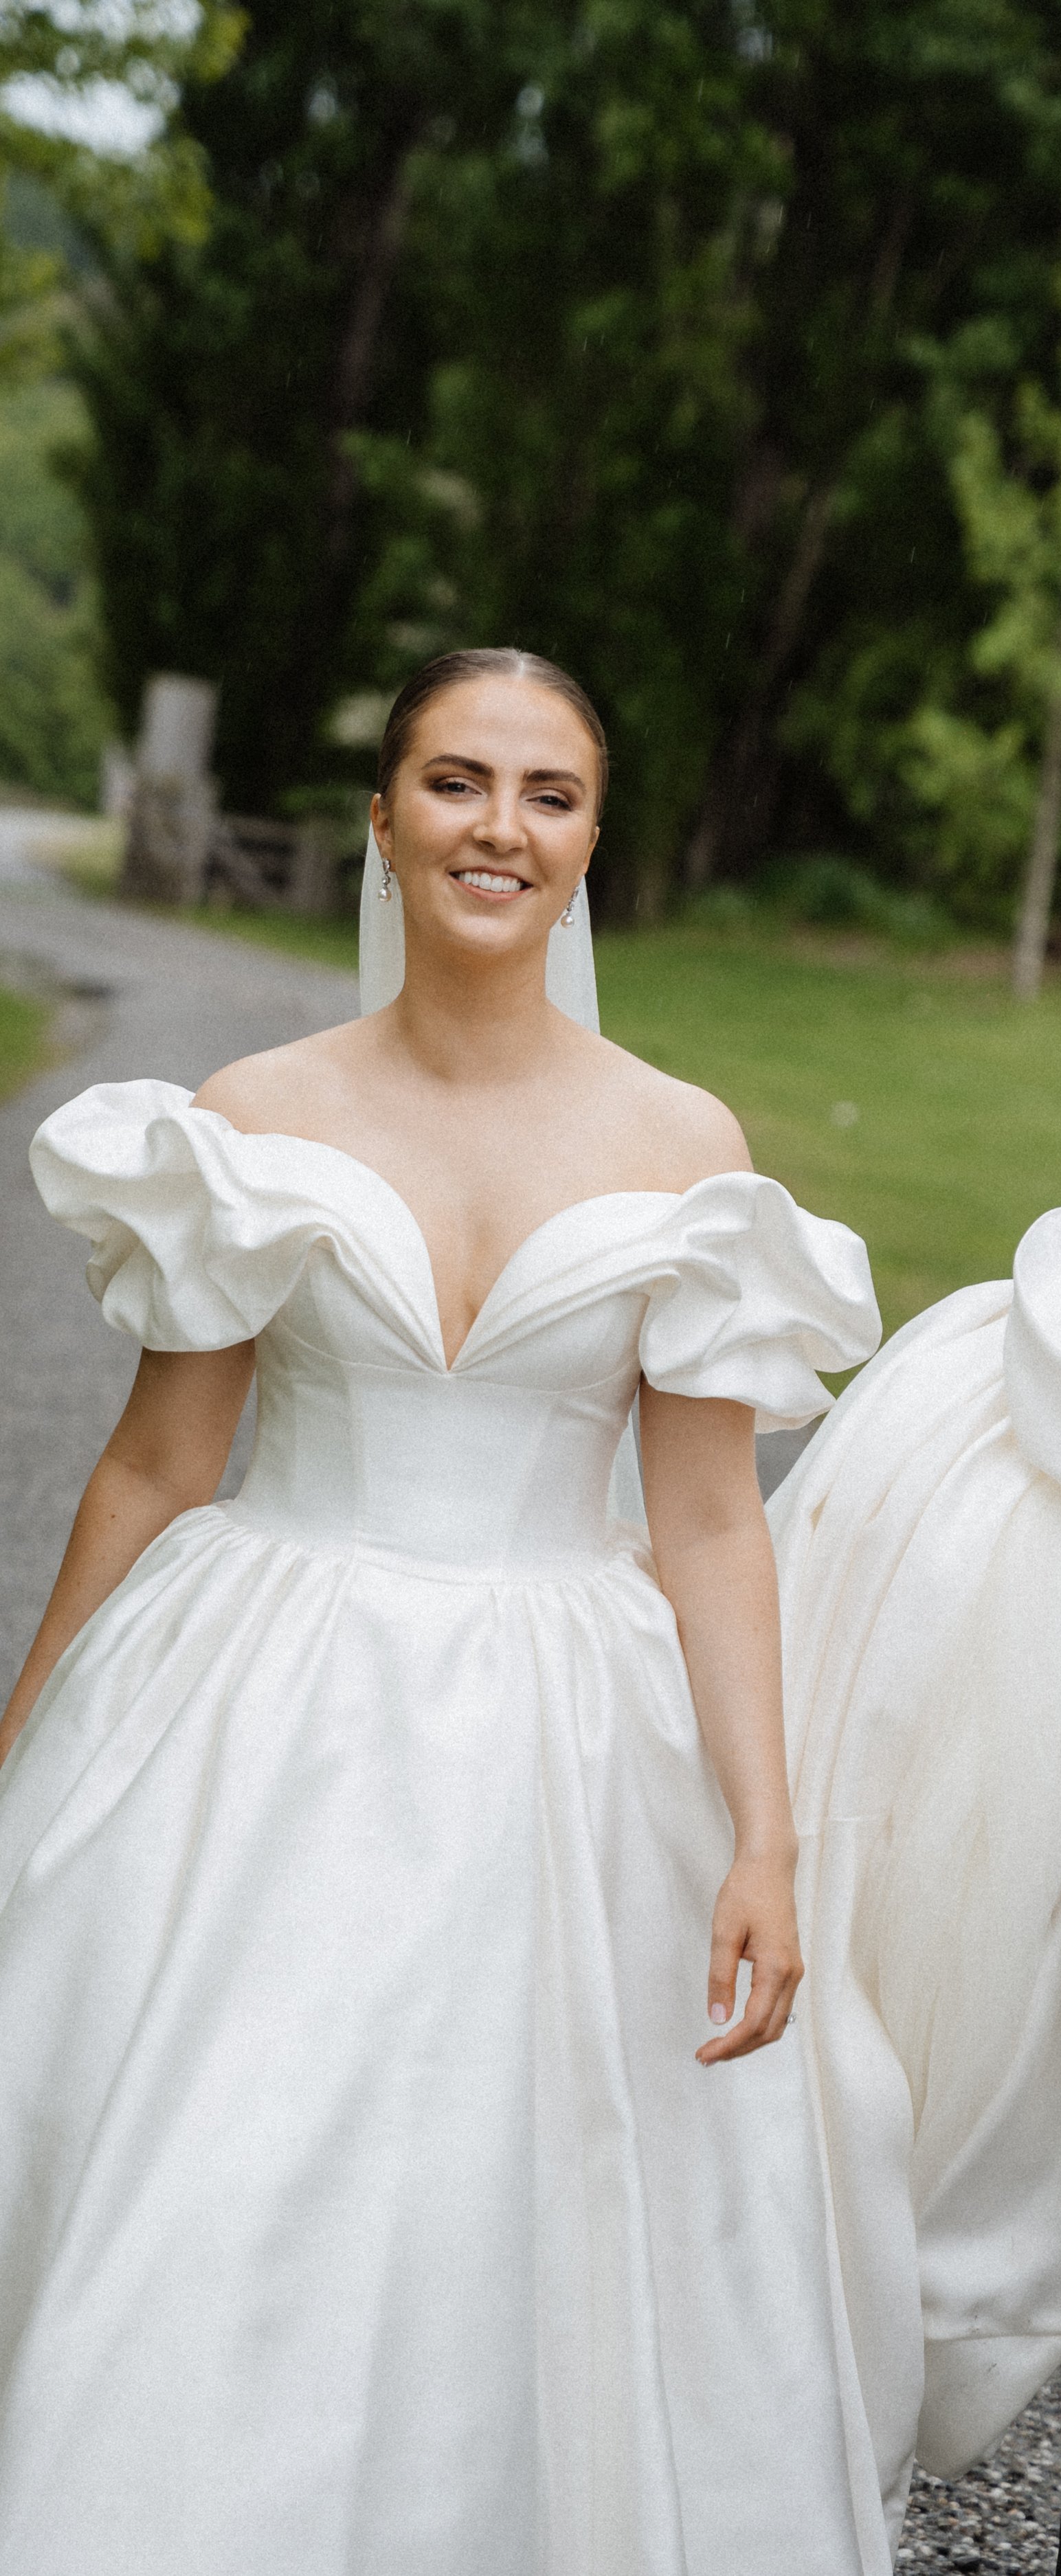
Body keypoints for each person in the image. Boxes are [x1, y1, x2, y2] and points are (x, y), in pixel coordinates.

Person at [0, 648, 891, 2573]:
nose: (502, 827)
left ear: (589, 840)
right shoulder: (254, 1109)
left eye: (548, 793)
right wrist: (27, 1738)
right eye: (460, 782)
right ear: (386, 820)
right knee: (232, 2172)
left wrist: (763, 1830)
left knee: (532, 2209)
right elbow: (161, 1464)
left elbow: (711, 1518)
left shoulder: (683, 1145)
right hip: (272, 1708)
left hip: (568, 1741)